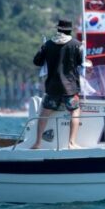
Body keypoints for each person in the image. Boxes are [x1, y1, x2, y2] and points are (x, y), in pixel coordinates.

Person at [32, 19, 84, 149]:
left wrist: (43, 48)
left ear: (58, 29)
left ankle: (38, 143)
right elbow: (81, 63)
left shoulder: (48, 44)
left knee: (44, 114)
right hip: (70, 89)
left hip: (52, 88)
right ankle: (71, 143)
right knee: (75, 111)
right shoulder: (76, 44)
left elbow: (37, 61)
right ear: (69, 31)